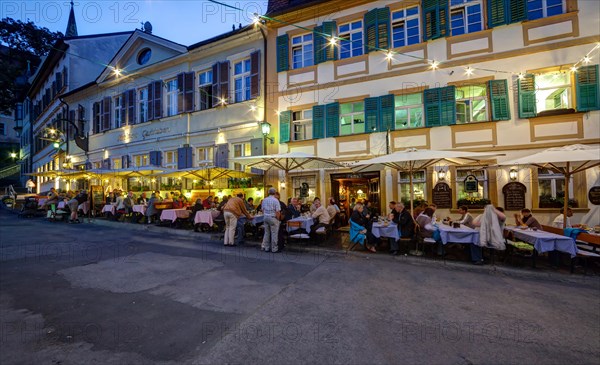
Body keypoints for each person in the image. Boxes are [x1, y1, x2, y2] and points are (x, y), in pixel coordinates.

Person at [261, 188, 281, 253]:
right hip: (273, 217)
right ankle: (274, 248)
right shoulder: (276, 200)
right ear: (275, 193)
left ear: (268, 193)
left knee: (266, 233)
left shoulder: (264, 200)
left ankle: (266, 247)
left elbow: (262, 210)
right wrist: (278, 219)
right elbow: (277, 211)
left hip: (266, 217)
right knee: (274, 233)